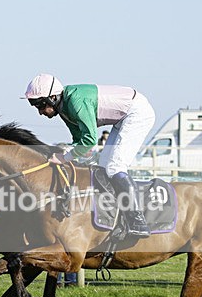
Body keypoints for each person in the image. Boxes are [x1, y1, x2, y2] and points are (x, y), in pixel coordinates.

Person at [23, 74, 155, 237]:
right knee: (104, 167)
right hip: (121, 119)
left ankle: (138, 222)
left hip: (136, 113)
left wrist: (64, 158)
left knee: (115, 167)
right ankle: (119, 219)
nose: (41, 112)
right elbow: (78, 140)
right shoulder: (64, 109)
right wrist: (63, 152)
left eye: (41, 105)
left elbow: (90, 140)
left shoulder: (75, 102)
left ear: (53, 97)